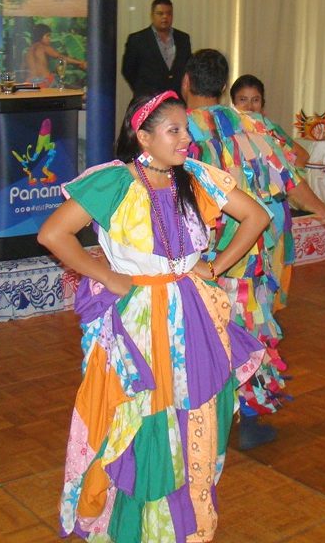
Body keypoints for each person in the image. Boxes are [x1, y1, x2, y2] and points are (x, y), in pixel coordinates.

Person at [38, 91, 269, 542]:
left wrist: (215, 266)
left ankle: (183, 525)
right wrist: (108, 276)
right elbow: (53, 233)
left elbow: (256, 217)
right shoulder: (114, 182)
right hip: (139, 323)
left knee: (196, 415)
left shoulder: (196, 176)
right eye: (174, 130)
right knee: (141, 422)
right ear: (143, 137)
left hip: (193, 315)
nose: (186, 139)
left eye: (186, 129)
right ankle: (137, 529)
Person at [184, 49, 325, 448]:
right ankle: (249, 419)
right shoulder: (254, 126)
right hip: (248, 256)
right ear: (224, 87)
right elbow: (289, 179)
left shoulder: (175, 130)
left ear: (186, 82)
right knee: (250, 330)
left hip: (197, 257)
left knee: (198, 331)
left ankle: (199, 419)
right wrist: (324, 210)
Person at [230, 74, 310, 169]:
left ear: (262, 103)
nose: (249, 106)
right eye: (243, 100)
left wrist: (290, 175)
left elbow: (303, 155)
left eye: (255, 100)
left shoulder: (271, 129)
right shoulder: (226, 129)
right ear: (233, 102)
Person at [121, 0, 192, 97]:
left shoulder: (183, 39)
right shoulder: (137, 40)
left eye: (169, 13)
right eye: (160, 13)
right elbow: (128, 70)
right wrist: (142, 90)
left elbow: (188, 68)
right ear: (152, 15)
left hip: (176, 99)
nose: (165, 17)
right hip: (148, 99)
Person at [25, 23, 85, 88]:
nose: (49, 39)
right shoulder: (43, 46)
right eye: (47, 36)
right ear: (40, 36)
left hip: (30, 83)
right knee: (75, 87)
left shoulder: (28, 51)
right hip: (45, 82)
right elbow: (61, 57)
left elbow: (24, 68)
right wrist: (80, 62)